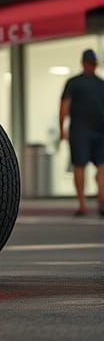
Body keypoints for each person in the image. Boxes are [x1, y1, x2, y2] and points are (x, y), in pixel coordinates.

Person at [59, 49, 104, 217]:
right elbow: (64, 106)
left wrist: (61, 128)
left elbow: (64, 106)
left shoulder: (73, 83)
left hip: (83, 131)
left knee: (82, 166)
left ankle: (87, 204)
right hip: (93, 131)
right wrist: (62, 128)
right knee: (97, 167)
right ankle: (97, 202)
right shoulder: (100, 84)